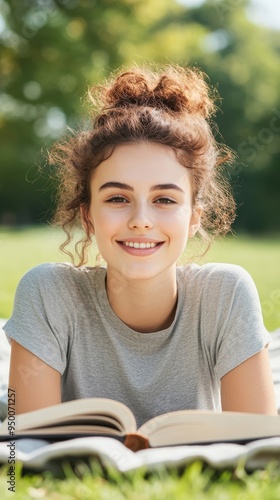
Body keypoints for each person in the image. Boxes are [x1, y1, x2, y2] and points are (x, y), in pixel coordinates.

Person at [4, 64, 277, 426]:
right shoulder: (47, 293)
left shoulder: (225, 294)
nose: (141, 220)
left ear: (194, 218)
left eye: (164, 199)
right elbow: (19, 449)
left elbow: (257, 443)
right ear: (88, 217)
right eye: (117, 198)